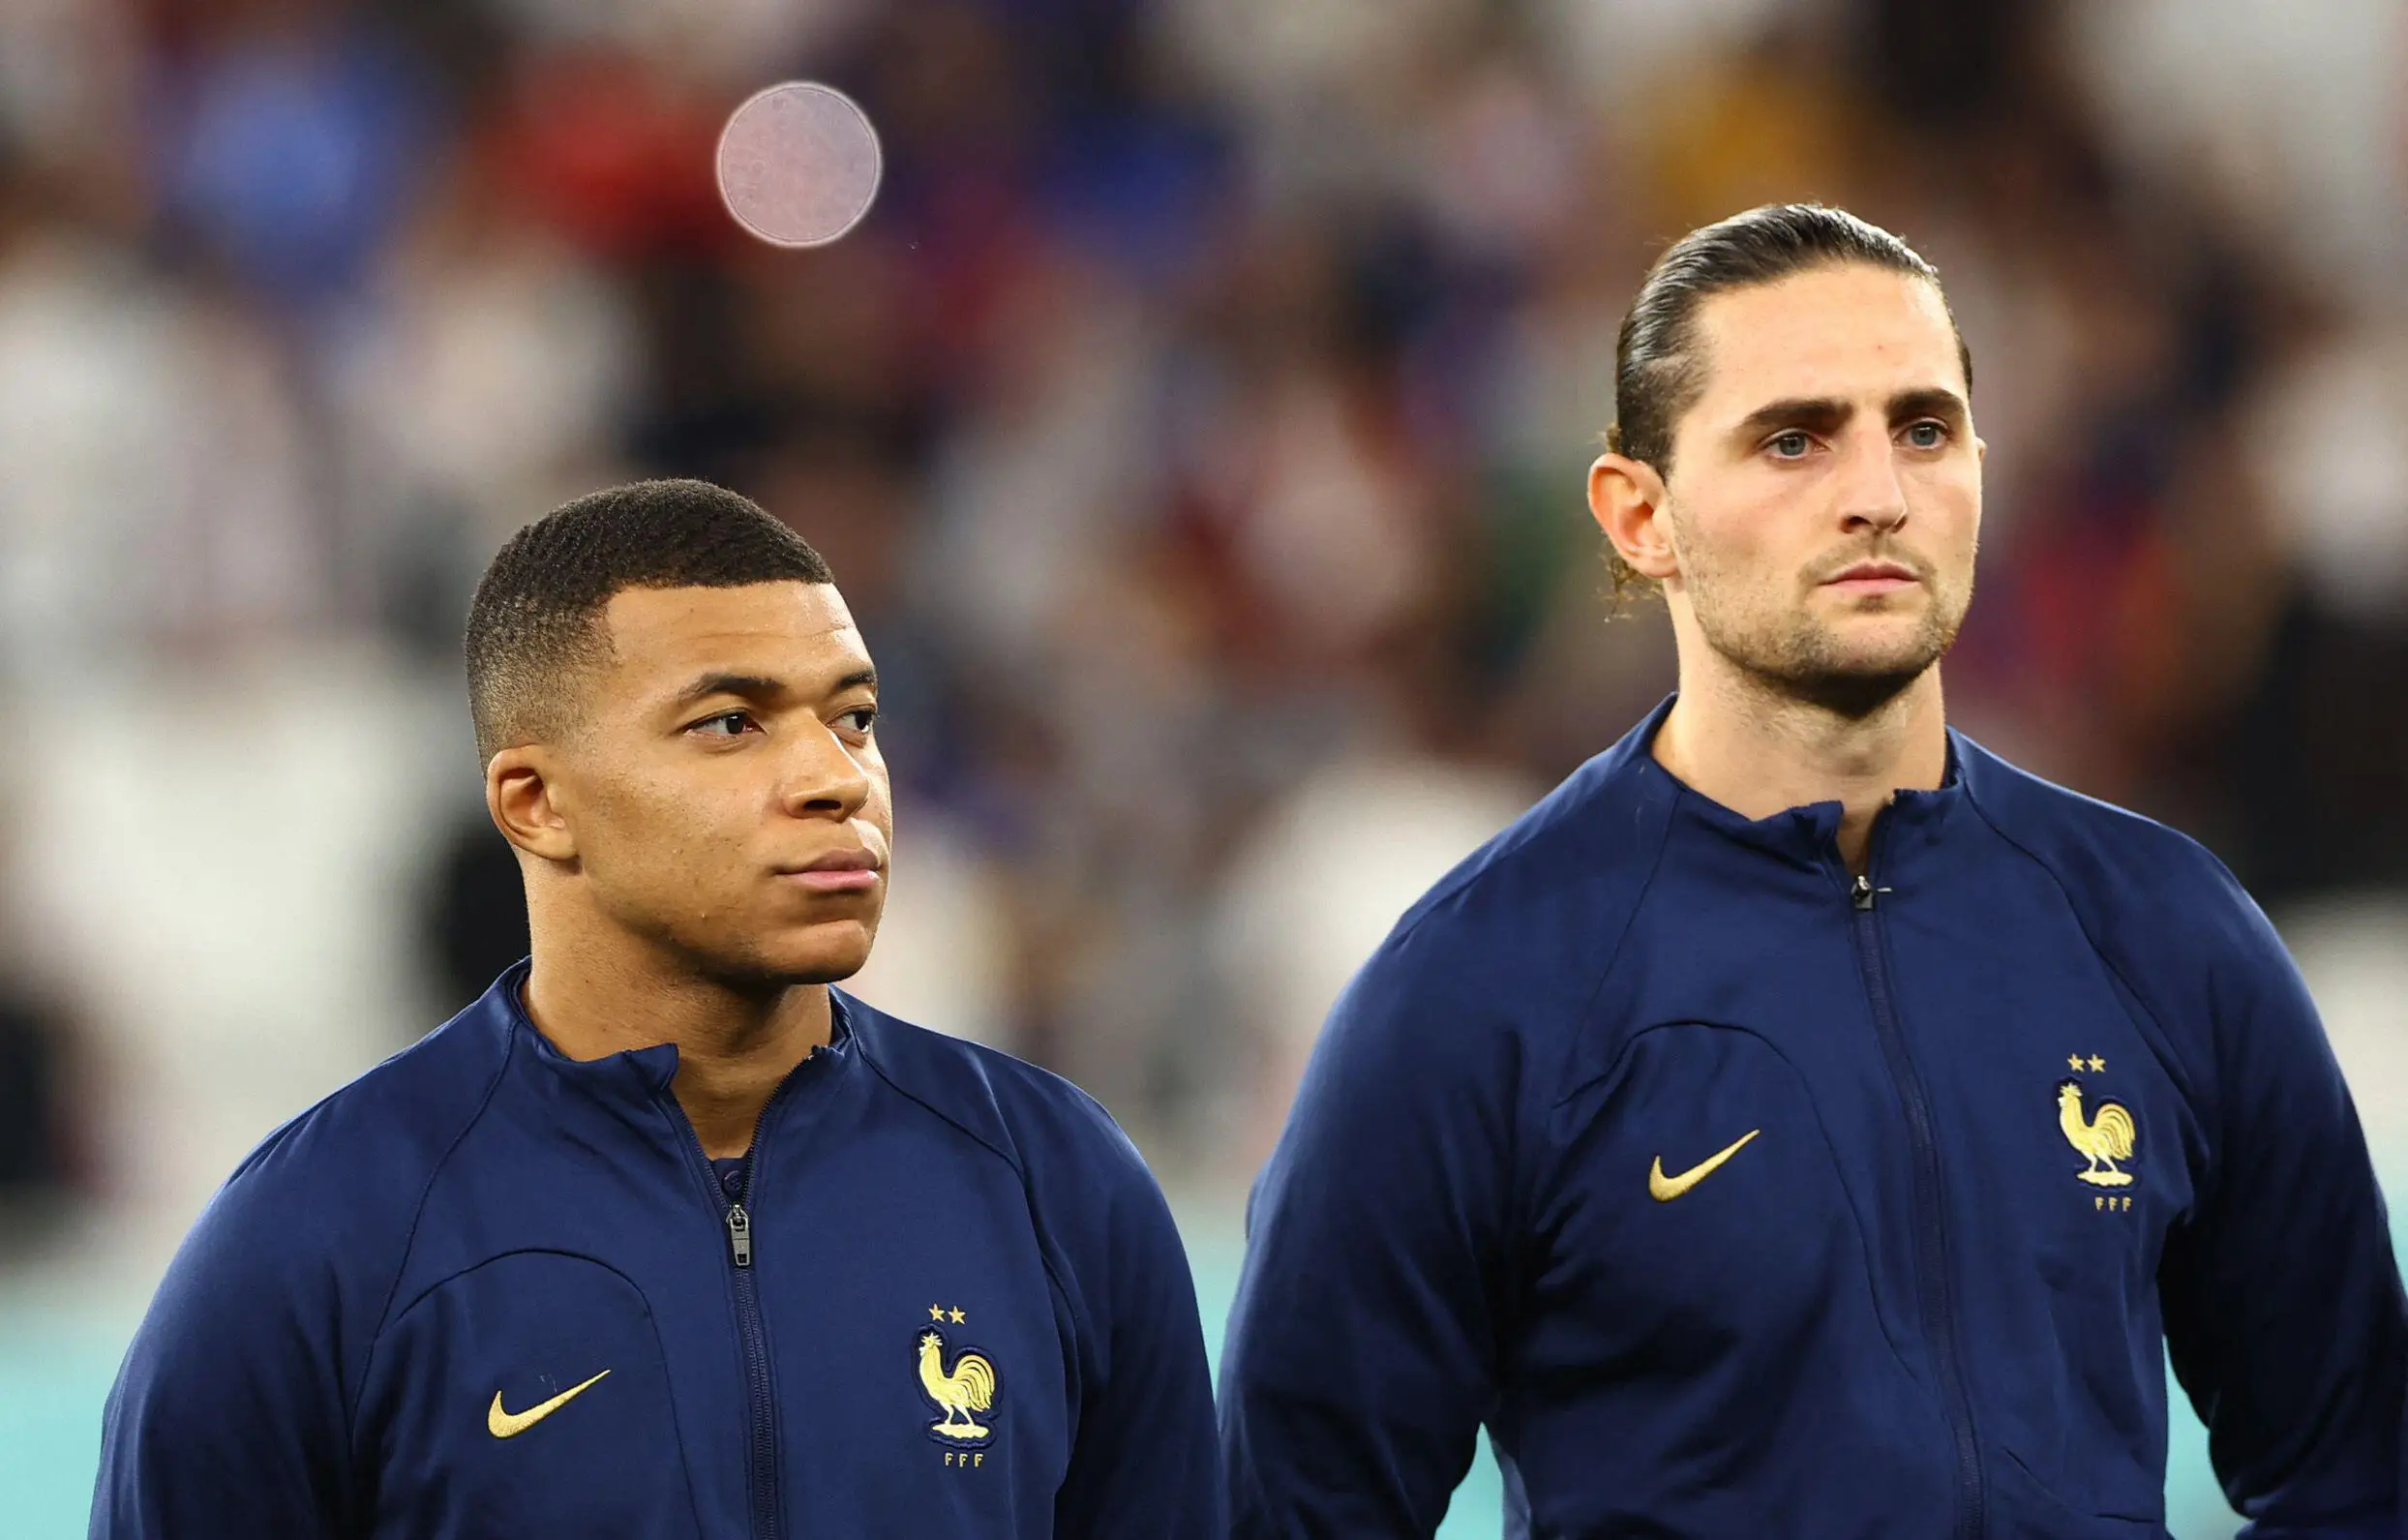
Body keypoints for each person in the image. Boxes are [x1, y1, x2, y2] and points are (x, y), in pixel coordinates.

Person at [1218, 204, 2407, 1537]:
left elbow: (2356, 1471)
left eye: (1925, 427)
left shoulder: (2166, 931)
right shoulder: (1480, 989)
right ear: (1639, 513)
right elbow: (1296, 1509)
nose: (1879, 492)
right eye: (1794, 437)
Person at [91, 479, 1220, 1538]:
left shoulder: (1057, 1184)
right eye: (732, 722)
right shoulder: (320, 1240)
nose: (835, 777)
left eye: (856, 716)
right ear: (536, 803)